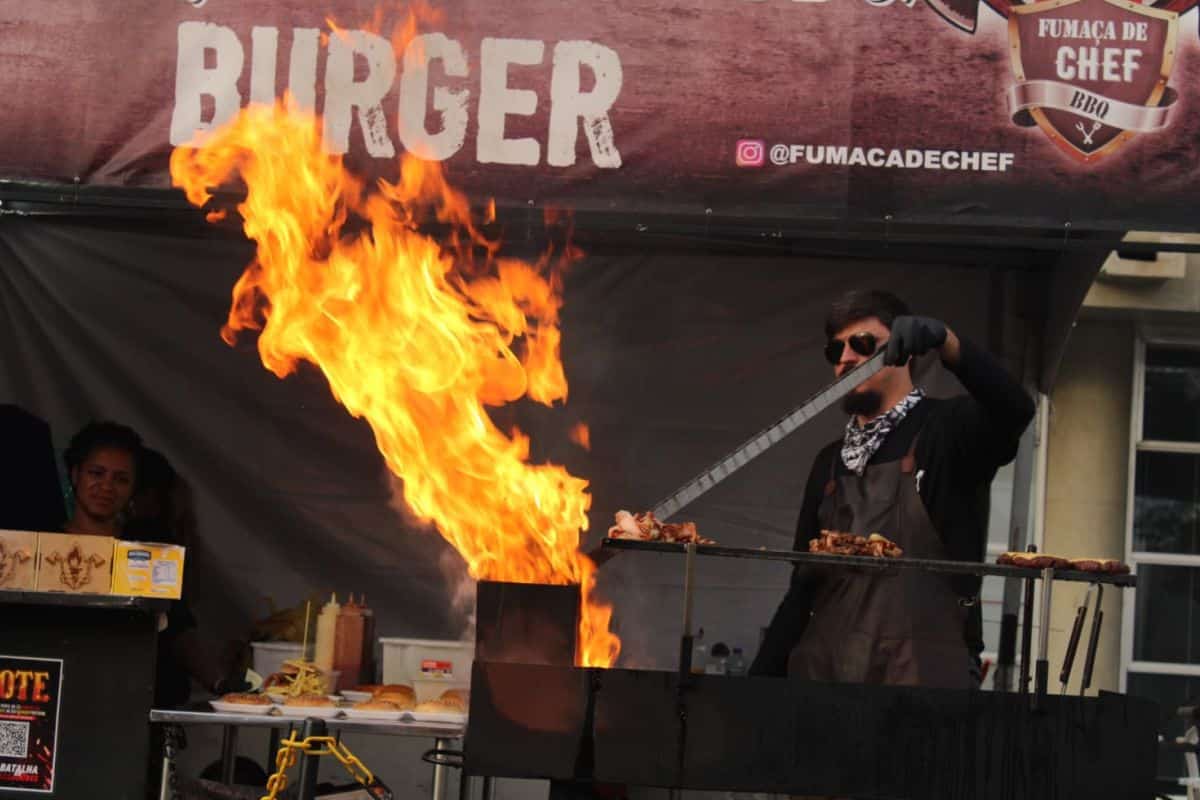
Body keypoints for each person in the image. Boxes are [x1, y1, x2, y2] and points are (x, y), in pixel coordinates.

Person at [750, 290, 1035, 689]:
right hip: (823, 685)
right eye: (835, 350)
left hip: (922, 686)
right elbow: (801, 590)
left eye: (863, 344)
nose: (846, 357)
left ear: (904, 350)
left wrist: (947, 342)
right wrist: (754, 688)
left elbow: (1015, 409)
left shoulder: (948, 431)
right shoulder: (828, 463)